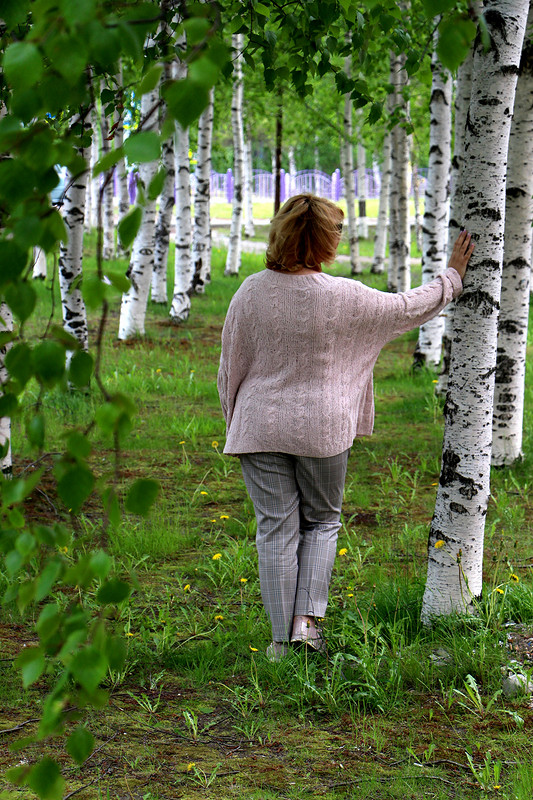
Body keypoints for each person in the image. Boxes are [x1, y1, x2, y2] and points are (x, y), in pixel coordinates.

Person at [217, 193, 474, 661]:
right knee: (322, 523)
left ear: (281, 232)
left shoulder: (249, 291)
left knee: (274, 529)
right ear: (327, 242)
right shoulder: (344, 296)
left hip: (258, 426)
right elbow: (406, 308)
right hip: (323, 429)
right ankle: (306, 628)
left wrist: (234, 423)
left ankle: (279, 644)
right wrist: (452, 279)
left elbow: (228, 369)